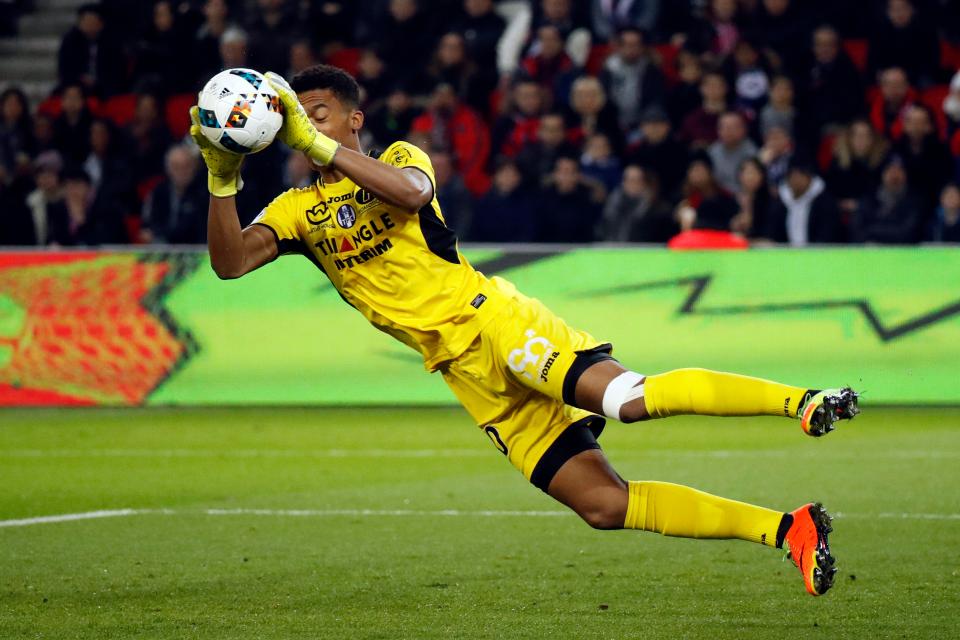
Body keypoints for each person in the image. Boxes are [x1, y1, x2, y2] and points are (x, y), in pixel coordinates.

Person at [190, 64, 859, 598]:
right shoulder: (296, 210)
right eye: (295, 118)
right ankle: (789, 530)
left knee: (627, 399)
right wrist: (223, 180)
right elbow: (229, 262)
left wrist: (318, 145)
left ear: (353, 119)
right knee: (602, 505)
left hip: (495, 323)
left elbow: (414, 194)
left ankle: (801, 401)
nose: (303, 126)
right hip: (466, 373)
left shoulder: (398, 155)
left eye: (317, 113)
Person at [766, 159, 844, 245]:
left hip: (818, 250)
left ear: (809, 177)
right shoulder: (781, 202)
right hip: (787, 251)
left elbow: (828, 233)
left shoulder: (825, 202)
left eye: (799, 176)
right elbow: (773, 233)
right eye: (792, 176)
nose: (796, 181)